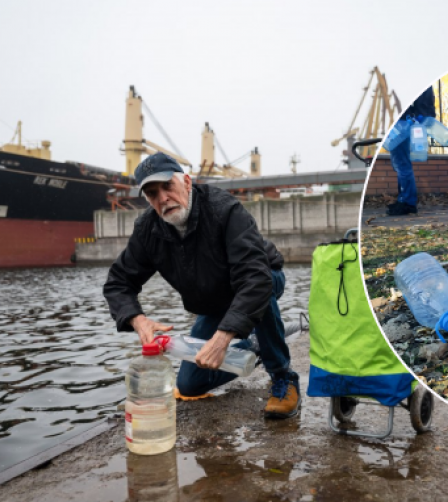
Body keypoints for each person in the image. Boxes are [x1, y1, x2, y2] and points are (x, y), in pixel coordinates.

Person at [103, 153, 300, 419]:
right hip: (214, 300)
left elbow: (255, 278)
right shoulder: (148, 230)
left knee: (259, 295)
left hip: (262, 278)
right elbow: (119, 281)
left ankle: (283, 377)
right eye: (152, 193)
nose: (162, 198)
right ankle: (255, 347)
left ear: (186, 181)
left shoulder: (224, 209)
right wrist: (137, 319)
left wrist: (222, 338)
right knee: (190, 385)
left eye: (167, 187)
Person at [387, 86, 436, 216]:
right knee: (399, 163)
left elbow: (422, 99)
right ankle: (404, 199)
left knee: (402, 163)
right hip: (403, 121)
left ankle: (407, 202)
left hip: (402, 122)